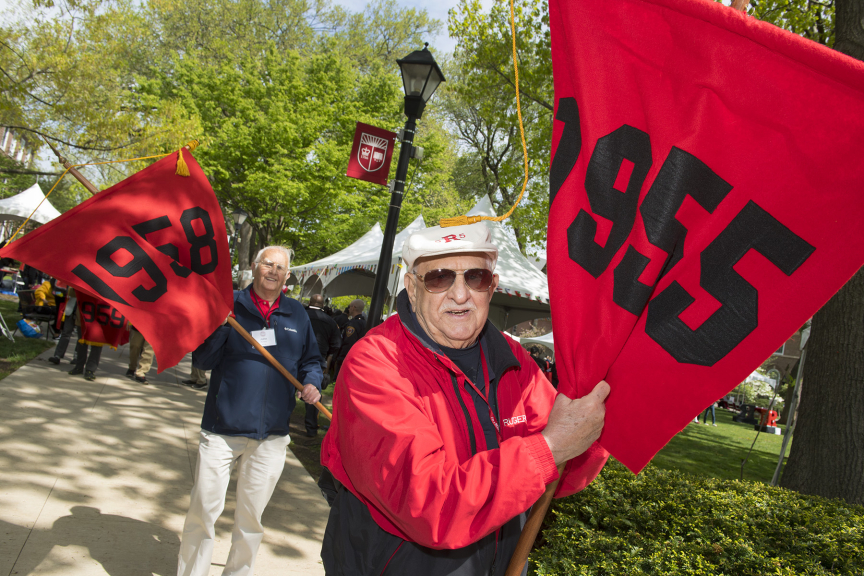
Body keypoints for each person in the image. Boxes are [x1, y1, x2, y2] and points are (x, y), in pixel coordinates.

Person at [320, 223, 608, 575]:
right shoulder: (376, 363)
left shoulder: (514, 361)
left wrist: (597, 427)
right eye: (439, 278)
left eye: (476, 278)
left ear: (493, 287)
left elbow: (565, 471)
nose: (460, 294)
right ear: (412, 289)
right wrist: (550, 448)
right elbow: (429, 505)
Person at [177, 245, 323, 576]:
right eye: (267, 264)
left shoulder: (296, 314)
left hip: (271, 434)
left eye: (280, 267)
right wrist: (223, 327)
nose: (273, 271)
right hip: (221, 430)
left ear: (288, 275)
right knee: (204, 511)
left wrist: (312, 381)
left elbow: (311, 360)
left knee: (251, 519)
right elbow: (201, 360)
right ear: (254, 268)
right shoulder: (228, 305)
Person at [304, 294, 342, 437]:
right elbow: (335, 345)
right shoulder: (330, 322)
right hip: (317, 360)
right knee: (313, 395)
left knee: (288, 391)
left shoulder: (301, 314)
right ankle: (311, 427)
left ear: (310, 302)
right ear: (322, 304)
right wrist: (327, 363)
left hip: (298, 357)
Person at [333, 299, 366, 377]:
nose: (348, 309)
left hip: (348, 358)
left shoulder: (353, 324)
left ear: (353, 307)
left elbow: (348, 343)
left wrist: (341, 358)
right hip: (359, 357)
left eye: (350, 307)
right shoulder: (365, 323)